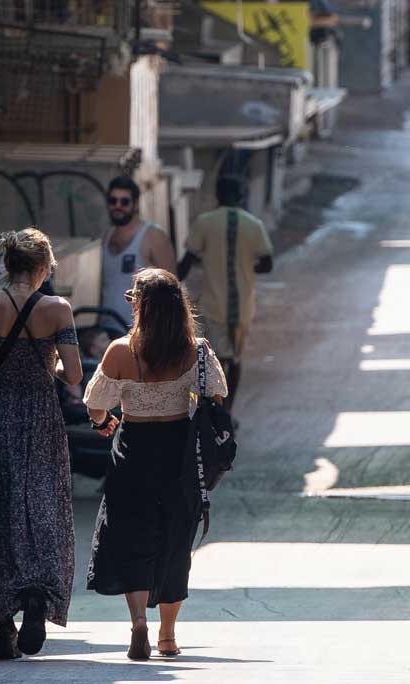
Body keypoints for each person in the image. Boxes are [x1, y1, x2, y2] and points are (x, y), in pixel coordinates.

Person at [0, 227, 83, 660]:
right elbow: (75, 375)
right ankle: (36, 593)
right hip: (41, 419)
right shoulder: (57, 309)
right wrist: (49, 367)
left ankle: (3, 625)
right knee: (41, 508)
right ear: (43, 268)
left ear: (7, 264)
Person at [83, 268, 228, 660]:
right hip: (179, 453)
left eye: (133, 296)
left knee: (134, 537)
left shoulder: (120, 351)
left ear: (140, 306)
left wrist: (103, 424)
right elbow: (217, 393)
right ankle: (167, 635)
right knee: (175, 541)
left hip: (133, 450)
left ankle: (138, 625)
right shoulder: (195, 350)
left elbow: (95, 404)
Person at [177, 175, 273, 412]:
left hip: (212, 306)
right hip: (243, 308)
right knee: (236, 361)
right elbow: (268, 264)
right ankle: (227, 413)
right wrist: (245, 267)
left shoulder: (205, 222)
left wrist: (170, 285)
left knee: (212, 361)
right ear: (240, 196)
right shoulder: (254, 225)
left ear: (217, 196)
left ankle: (214, 412)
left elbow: (186, 262)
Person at [101, 176, 177, 326]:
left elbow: (172, 287)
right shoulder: (106, 236)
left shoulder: (153, 236)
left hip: (143, 331)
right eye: (113, 201)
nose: (118, 206)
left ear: (135, 205)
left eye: (124, 201)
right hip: (107, 330)